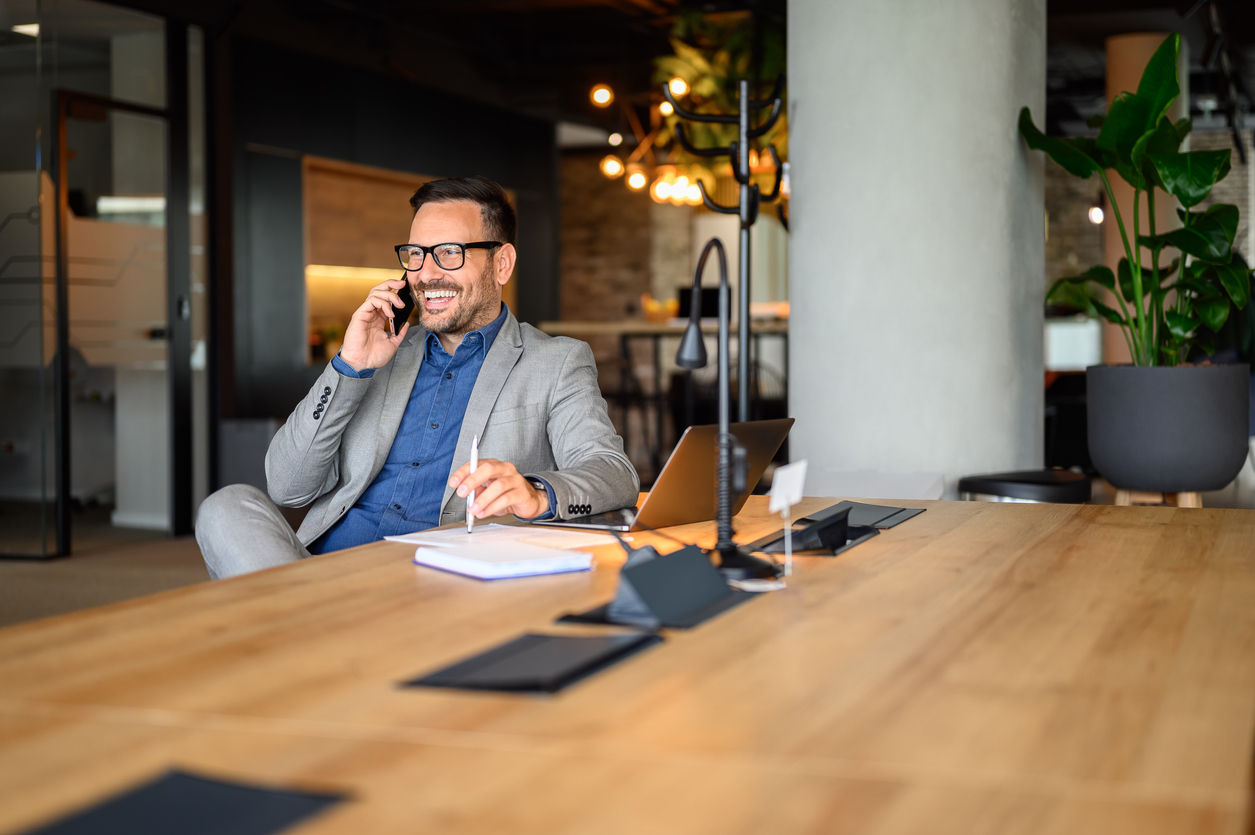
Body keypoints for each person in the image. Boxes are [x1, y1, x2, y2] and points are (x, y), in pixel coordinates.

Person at [196, 176, 638, 579]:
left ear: (501, 264)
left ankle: (303, 638)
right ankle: (315, 631)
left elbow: (614, 473)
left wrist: (537, 494)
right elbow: (287, 487)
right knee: (226, 505)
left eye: (449, 252)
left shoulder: (555, 361)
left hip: (441, 577)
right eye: (416, 255)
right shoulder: (380, 353)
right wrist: (349, 367)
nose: (426, 274)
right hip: (326, 571)